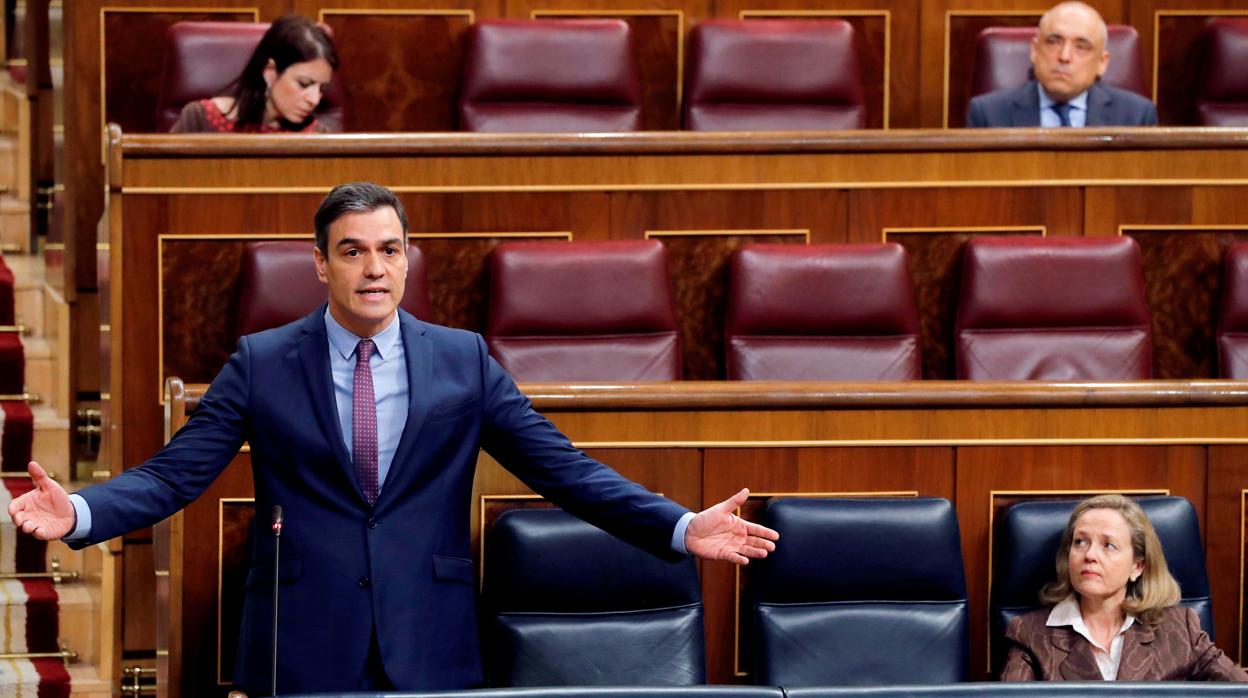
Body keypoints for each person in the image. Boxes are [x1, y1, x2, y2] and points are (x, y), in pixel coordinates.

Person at [8, 182, 779, 694]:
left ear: (406, 259)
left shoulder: (463, 360)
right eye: (353, 251)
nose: (374, 268)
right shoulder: (264, 362)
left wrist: (679, 526)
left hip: (428, 638)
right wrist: (79, 512)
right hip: (301, 641)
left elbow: (564, 470)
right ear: (320, 265)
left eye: (389, 249)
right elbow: (175, 477)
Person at [1000, 494, 1246, 681]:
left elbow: (1238, 689)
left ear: (1137, 566)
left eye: (1109, 546)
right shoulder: (1030, 634)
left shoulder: (1180, 630)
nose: (1090, 555)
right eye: (1080, 542)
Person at [966, 2, 1157, 128]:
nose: (1064, 56)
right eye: (1054, 41)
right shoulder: (988, 115)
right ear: (1034, 50)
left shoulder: (1136, 117)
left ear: (1102, 63)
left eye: (1081, 47)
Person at [170, 14, 339, 133]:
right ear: (270, 71)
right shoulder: (199, 119)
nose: (314, 99)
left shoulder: (318, 135)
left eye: (322, 88)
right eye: (304, 84)